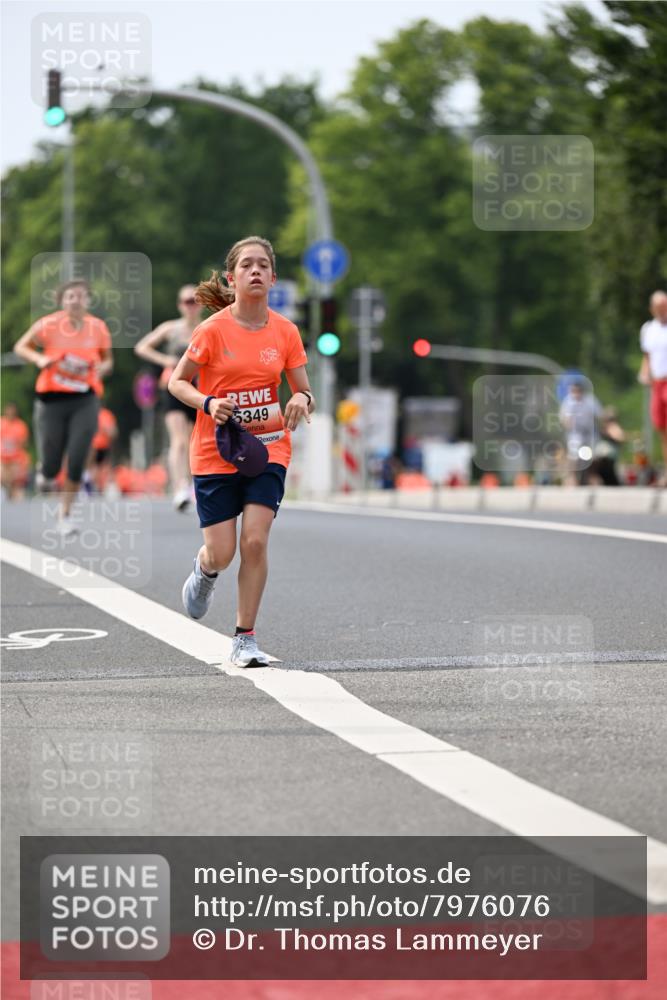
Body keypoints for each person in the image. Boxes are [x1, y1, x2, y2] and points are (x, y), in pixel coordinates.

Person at [168, 236, 313, 667]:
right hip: (215, 451)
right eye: (246, 265)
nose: (255, 271)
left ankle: (244, 637)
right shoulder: (212, 330)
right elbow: (177, 382)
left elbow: (304, 389)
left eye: (262, 265)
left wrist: (301, 400)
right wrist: (209, 403)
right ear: (232, 279)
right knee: (223, 552)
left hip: (268, 449)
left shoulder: (285, 331)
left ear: (273, 277)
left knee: (254, 540)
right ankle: (205, 569)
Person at [13, 279, 113, 534]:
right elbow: (20, 347)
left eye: (80, 296)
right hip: (51, 399)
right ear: (62, 301)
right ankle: (45, 471)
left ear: (88, 300)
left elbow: (108, 360)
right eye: (70, 296)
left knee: (78, 456)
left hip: (85, 398)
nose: (76, 301)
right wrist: (39, 358)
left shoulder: (98, 327)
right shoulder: (48, 325)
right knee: (51, 463)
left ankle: (65, 515)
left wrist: (104, 368)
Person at [134, 285, 203, 511]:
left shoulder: (207, 327)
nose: (190, 306)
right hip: (173, 387)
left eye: (194, 301)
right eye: (186, 302)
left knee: (199, 440)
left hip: (201, 388)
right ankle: (180, 487)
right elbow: (142, 347)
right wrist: (165, 360)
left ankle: (195, 485)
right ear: (179, 305)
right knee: (179, 439)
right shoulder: (171, 329)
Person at [638, 289, 667, 487]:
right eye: (658, 307)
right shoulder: (648, 329)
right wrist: (644, 372)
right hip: (657, 383)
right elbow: (648, 356)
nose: (661, 310)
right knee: (662, 428)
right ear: (652, 309)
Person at [559, 379, 600, 485]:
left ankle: (591, 477)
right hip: (575, 434)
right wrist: (568, 424)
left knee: (592, 457)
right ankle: (572, 478)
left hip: (589, 433)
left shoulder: (590, 401)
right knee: (574, 457)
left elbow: (598, 415)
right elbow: (564, 419)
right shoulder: (568, 402)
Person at [0, 402, 30, 500]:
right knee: (3, 477)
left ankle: (15, 497)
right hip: (3, 460)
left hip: (16, 460)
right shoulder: (1, 423)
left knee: (17, 485)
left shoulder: (21, 426)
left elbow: (25, 444)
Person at [87, 401, 118, 494]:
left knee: (106, 467)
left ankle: (105, 487)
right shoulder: (90, 414)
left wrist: (108, 430)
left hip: (105, 446)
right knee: (93, 467)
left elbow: (113, 432)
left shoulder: (107, 415)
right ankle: (92, 486)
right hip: (94, 447)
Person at [589, 407, 625, 486]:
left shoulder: (615, 428)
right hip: (600, 455)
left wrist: (611, 435)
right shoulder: (604, 428)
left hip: (608, 457)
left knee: (608, 474)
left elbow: (621, 438)